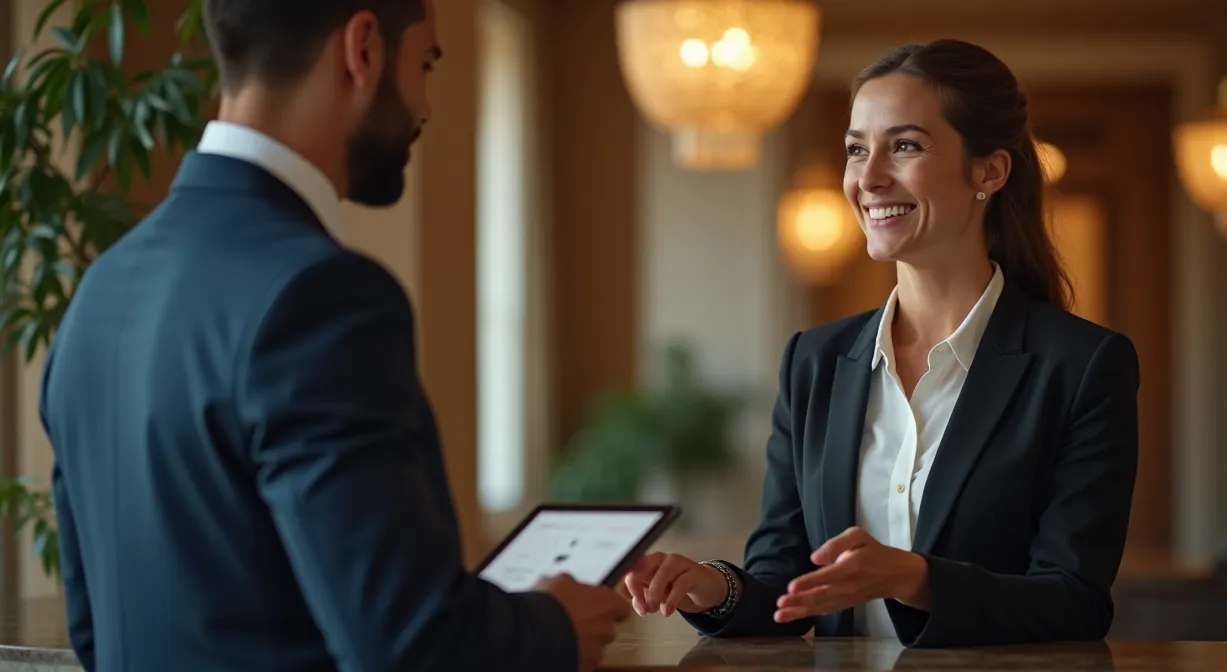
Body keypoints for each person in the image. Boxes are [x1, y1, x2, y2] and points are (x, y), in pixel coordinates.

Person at [39, 1, 628, 670]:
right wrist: (551, 626)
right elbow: (408, 644)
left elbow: (94, 632)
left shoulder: (98, 294)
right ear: (364, 48)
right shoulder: (322, 298)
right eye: (425, 65)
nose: (426, 109)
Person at [620, 39, 1141, 648]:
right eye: (856, 150)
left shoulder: (1082, 366)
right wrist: (712, 587)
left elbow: (1074, 600)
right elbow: (782, 583)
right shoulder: (813, 363)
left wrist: (915, 579)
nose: (868, 178)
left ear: (990, 171)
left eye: (906, 146)